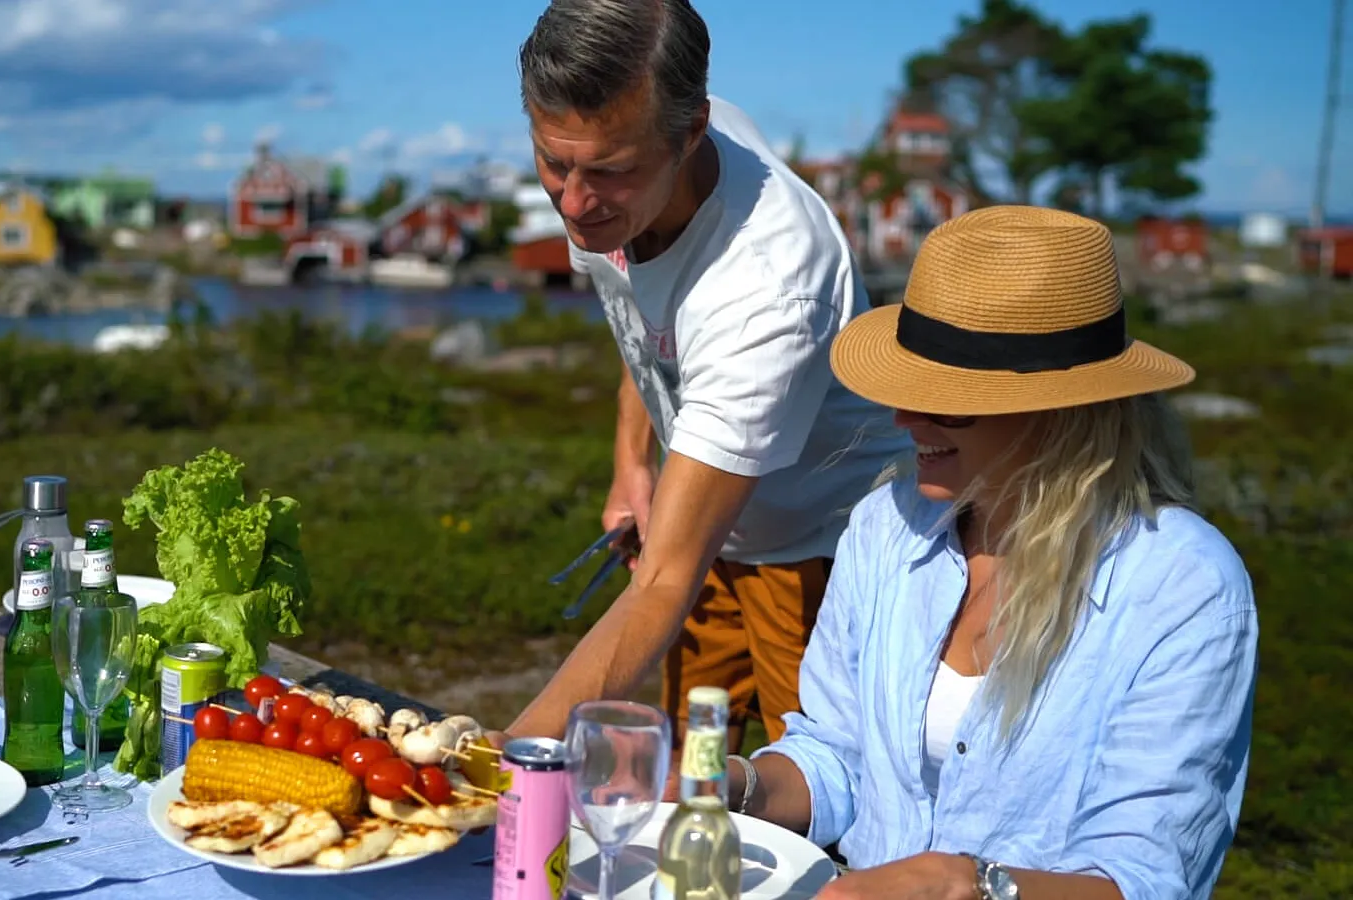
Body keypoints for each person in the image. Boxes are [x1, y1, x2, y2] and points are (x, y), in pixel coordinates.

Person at [725, 205, 1257, 900]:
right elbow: (835, 759)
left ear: (1063, 410)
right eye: (908, 390)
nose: (903, 420)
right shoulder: (885, 528)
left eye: (946, 401)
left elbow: (1146, 875)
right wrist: (727, 787)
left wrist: (970, 885)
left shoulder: (1183, 586)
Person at [503, 0, 909, 749]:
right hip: (706, 521)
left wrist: (503, 759)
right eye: (553, 161)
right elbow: (648, 327)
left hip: (821, 545)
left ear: (691, 135)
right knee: (684, 758)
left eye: (609, 173)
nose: (573, 202)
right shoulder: (621, 164)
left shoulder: (769, 286)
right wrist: (632, 464)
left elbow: (662, 583)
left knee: (822, 793)